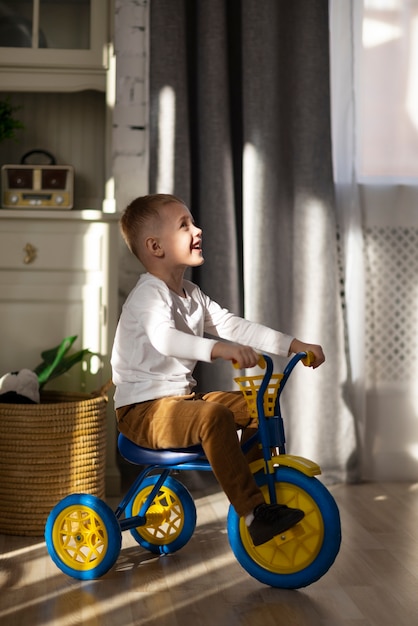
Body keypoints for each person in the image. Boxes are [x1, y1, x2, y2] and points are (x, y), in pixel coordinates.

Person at [111, 193, 325, 546]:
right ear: (155, 246)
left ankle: (259, 483)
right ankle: (254, 512)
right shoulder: (149, 295)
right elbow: (166, 339)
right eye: (184, 225)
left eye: (192, 222)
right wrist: (218, 349)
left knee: (257, 403)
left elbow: (234, 325)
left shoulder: (191, 293)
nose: (197, 230)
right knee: (214, 417)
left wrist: (293, 345)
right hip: (143, 412)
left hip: (181, 402)